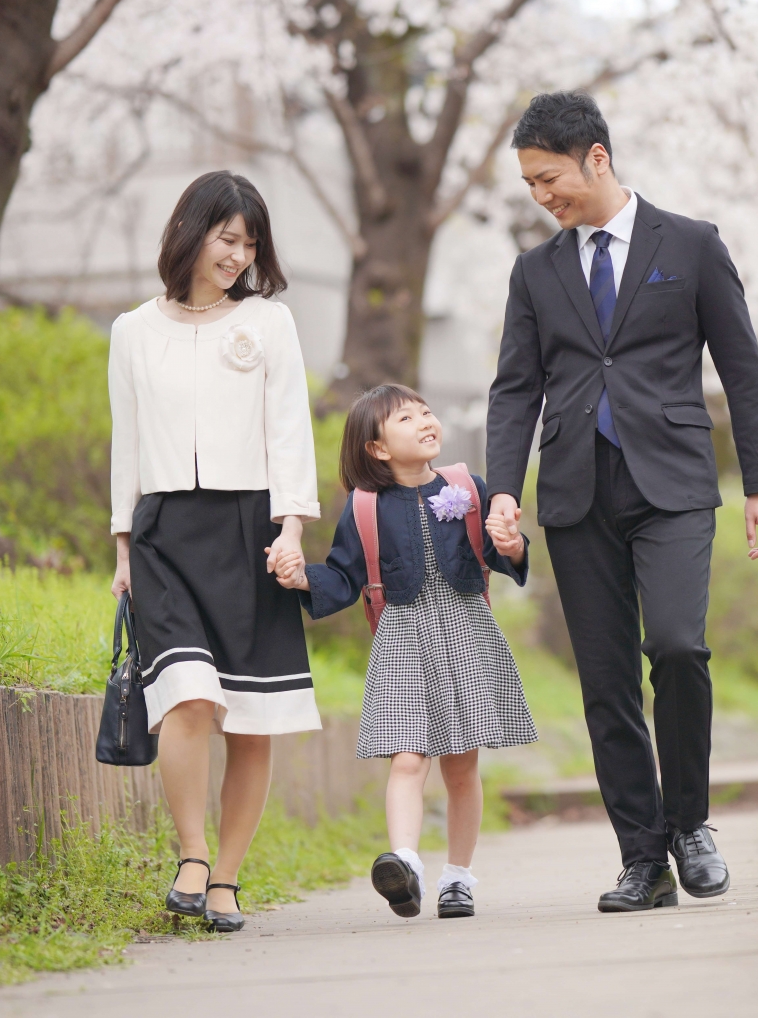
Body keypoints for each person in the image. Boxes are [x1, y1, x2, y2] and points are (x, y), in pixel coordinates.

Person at [485, 91, 758, 912]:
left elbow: (741, 367)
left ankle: (691, 826)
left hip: (675, 484)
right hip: (577, 490)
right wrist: (502, 491)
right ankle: (642, 860)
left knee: (680, 648)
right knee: (607, 680)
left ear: (597, 158)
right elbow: (515, 389)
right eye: (530, 184)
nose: (543, 197)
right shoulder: (536, 271)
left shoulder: (689, 245)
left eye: (550, 178)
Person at [108, 170, 321, 934]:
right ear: (191, 231)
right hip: (165, 533)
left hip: (251, 531)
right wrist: (124, 547)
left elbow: (288, 429)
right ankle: (192, 856)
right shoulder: (133, 329)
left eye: (249, 244)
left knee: (252, 715)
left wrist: (291, 527)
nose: (237, 255)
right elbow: (125, 444)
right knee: (191, 698)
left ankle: (226, 879)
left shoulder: (268, 322)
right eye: (227, 238)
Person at [274, 384, 536, 919]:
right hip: (402, 639)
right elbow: (345, 576)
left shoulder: (468, 486)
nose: (425, 421)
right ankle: (406, 863)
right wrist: (303, 579)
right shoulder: (365, 508)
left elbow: (498, 552)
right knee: (408, 759)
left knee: (462, 766)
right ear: (377, 448)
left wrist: (513, 546)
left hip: (466, 629)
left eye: (426, 412)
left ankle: (459, 877)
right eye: (406, 418)